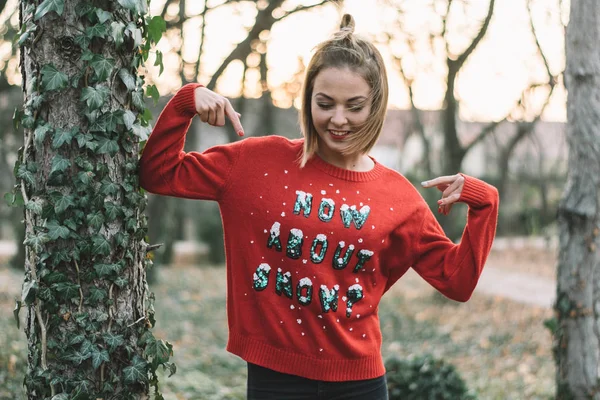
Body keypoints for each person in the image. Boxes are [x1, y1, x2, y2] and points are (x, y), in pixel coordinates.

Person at [139, 13, 499, 400]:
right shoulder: (255, 163)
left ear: (375, 107)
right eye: (324, 103)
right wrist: (185, 102)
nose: (338, 120)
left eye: (354, 106)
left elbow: (457, 281)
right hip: (274, 380)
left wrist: (485, 204)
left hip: (360, 385)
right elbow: (159, 173)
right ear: (308, 98)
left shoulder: (399, 197)